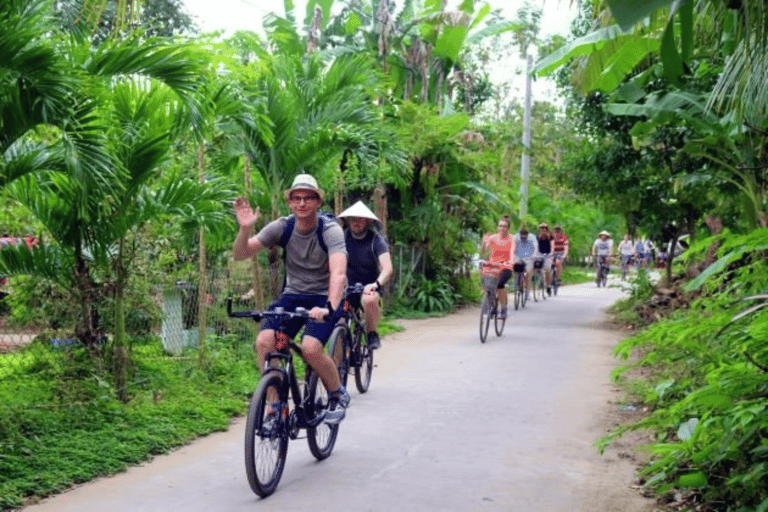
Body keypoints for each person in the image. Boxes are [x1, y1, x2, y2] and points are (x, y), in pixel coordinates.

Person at [233, 173, 350, 424]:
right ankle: (276, 407)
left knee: (310, 348)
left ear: (318, 202)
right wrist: (244, 230)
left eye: (308, 198)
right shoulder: (282, 227)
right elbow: (242, 254)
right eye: (296, 198)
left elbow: (338, 273)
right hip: (293, 294)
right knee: (265, 341)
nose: (302, 203)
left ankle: (337, 393)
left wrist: (329, 306)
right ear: (290, 202)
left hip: (324, 296)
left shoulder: (330, 231)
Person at [337, 201, 392, 350]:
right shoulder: (342, 238)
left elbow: (387, 268)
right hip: (348, 290)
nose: (356, 222)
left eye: (360, 219)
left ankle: (372, 333)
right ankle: (338, 366)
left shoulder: (376, 240)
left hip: (369, 288)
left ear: (368, 221)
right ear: (348, 220)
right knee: (340, 322)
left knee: (368, 300)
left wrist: (376, 284)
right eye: (353, 219)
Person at [481, 216, 515, 319]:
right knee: (487, 284)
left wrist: (511, 261)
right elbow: (483, 251)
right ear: (498, 227)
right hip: (493, 266)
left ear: (508, 228)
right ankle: (492, 305)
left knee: (500, 285)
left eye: (505, 226)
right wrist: (484, 241)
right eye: (500, 226)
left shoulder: (511, 238)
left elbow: (512, 251)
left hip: (505, 266)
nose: (502, 228)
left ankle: (503, 309)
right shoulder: (493, 238)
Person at [514, 227, 538, 300]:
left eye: (525, 234)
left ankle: (527, 292)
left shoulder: (532, 237)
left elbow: (535, 247)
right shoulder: (515, 237)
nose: (524, 236)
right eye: (522, 234)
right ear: (520, 234)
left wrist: (534, 256)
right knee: (515, 271)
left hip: (529, 258)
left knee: (528, 273)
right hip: (518, 257)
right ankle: (517, 285)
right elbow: (512, 247)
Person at [536, 223, 554, 295]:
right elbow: (535, 246)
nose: (543, 229)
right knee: (535, 267)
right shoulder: (537, 237)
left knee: (547, 269)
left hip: (548, 255)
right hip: (539, 254)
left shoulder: (550, 237)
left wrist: (551, 253)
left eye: (545, 228)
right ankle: (538, 281)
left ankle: (548, 285)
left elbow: (553, 246)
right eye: (542, 228)